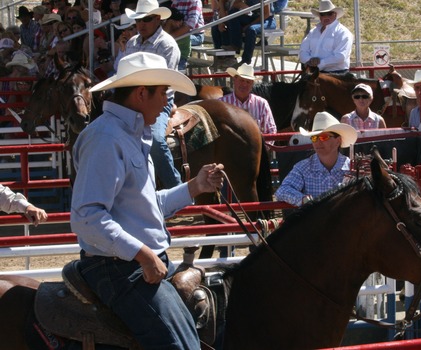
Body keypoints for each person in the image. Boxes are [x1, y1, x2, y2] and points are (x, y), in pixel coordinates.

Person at [70, 51, 224, 349]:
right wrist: (143, 254)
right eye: (164, 92)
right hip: (118, 268)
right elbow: (87, 217)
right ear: (142, 93)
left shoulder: (127, 135)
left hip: (130, 264)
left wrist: (194, 186)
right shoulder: (106, 139)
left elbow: (142, 205)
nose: (169, 101)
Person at [120, 0, 183, 189]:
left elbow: (164, 82)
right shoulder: (132, 43)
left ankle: (176, 188)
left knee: (155, 140)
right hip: (131, 101)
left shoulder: (167, 45)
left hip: (158, 100)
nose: (141, 25)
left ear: (157, 19)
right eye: (138, 20)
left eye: (146, 20)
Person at [275, 111, 357, 207]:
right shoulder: (303, 167)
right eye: (314, 138)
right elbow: (282, 190)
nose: (317, 142)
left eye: (323, 137)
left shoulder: (353, 168)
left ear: (338, 141)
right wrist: (303, 200)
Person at [219, 63, 276, 136]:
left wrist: (262, 147)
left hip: (256, 147)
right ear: (234, 80)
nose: (244, 84)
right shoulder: (221, 103)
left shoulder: (262, 104)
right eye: (241, 80)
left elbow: (271, 130)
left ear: (252, 84)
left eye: (248, 82)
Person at [298, 0, 353, 73]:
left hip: (336, 74)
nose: (326, 17)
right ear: (320, 16)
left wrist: (317, 63)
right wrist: (309, 60)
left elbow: (340, 56)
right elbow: (303, 51)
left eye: (329, 14)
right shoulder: (313, 32)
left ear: (335, 15)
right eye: (323, 14)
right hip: (315, 73)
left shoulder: (343, 33)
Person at [224, 0, 276, 68]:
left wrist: (250, 24)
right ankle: (235, 45)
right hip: (254, 17)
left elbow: (266, 14)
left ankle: (245, 61)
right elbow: (235, 4)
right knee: (233, 13)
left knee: (251, 29)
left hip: (267, 20)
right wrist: (241, 5)